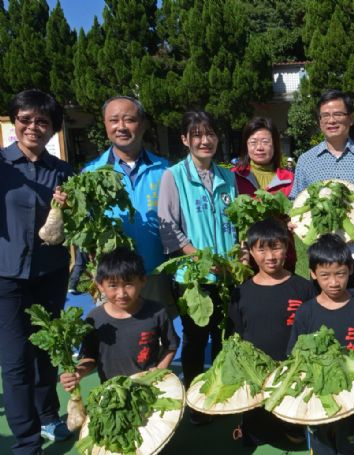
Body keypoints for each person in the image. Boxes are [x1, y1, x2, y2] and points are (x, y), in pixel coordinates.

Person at [0, 89, 74, 451]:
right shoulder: (1, 165)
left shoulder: (61, 171)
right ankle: (26, 441)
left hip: (51, 272)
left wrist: (69, 206)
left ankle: (48, 414)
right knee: (15, 361)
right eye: (26, 119)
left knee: (47, 350)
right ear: (14, 122)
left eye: (42, 121)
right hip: (7, 276)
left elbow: (74, 223)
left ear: (51, 128)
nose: (33, 126)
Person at [157, 110, 238, 424]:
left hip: (228, 275)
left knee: (224, 337)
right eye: (197, 134)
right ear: (185, 140)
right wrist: (201, 259)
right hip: (194, 277)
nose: (205, 140)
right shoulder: (173, 176)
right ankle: (195, 399)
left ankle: (219, 394)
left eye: (210, 134)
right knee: (195, 339)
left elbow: (236, 224)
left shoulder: (227, 176)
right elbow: (169, 228)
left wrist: (236, 258)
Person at [288, 234, 354, 455]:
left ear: (351, 270)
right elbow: (294, 357)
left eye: (340, 274)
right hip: (318, 402)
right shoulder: (305, 313)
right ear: (313, 274)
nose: (334, 282)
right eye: (325, 275)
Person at [78, 96, 172, 312]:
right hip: (111, 280)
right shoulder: (90, 173)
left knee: (156, 339)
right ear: (105, 124)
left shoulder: (165, 170)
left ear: (143, 124)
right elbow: (84, 228)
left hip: (156, 274)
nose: (121, 127)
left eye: (129, 119)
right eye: (113, 120)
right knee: (114, 342)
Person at [290, 90, 354, 305]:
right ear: (320, 121)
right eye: (325, 115)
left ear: (350, 118)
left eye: (338, 114)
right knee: (322, 306)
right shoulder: (306, 160)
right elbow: (296, 200)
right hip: (321, 249)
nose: (331, 120)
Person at [229, 218, 315, 446]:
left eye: (276, 247)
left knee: (292, 421)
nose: (270, 257)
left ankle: (293, 425)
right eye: (262, 249)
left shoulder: (303, 287)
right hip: (256, 370)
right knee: (257, 425)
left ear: (287, 247)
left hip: (293, 368)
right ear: (251, 251)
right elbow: (238, 332)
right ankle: (250, 426)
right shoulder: (241, 293)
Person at [59, 248, 179, 388]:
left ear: (143, 281)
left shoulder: (156, 312)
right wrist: (78, 372)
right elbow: (90, 357)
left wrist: (159, 369)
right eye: (113, 286)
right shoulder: (95, 318)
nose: (121, 293)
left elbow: (171, 346)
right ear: (100, 286)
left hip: (148, 388)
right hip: (112, 392)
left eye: (128, 284)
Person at [233, 117, 297, 271]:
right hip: (246, 258)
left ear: (275, 144)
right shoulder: (233, 177)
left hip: (281, 258)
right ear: (246, 146)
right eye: (253, 142)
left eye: (265, 142)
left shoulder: (289, 179)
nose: (259, 148)